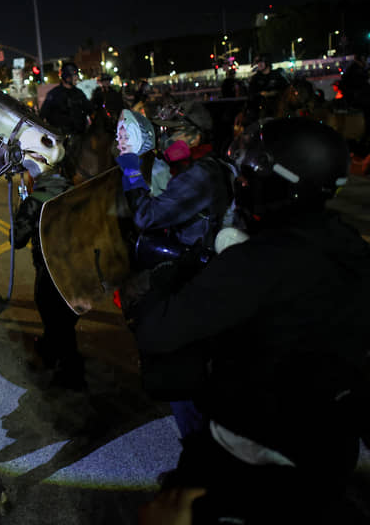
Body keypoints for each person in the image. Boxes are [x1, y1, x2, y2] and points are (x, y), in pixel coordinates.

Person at [121, 118, 370, 523]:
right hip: (332, 444)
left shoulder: (256, 264)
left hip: (253, 453)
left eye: (253, 169)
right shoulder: (348, 246)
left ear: (280, 181)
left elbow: (157, 333)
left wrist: (164, 280)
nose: (245, 178)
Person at [118, 106, 235, 440]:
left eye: (174, 131)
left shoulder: (200, 174)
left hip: (197, 276)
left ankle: (199, 456)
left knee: (178, 368)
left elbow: (145, 215)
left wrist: (129, 165)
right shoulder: (209, 165)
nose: (166, 138)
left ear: (196, 136)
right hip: (211, 270)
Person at [13, 153, 85, 391]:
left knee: (57, 324)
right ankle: (51, 352)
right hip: (78, 271)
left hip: (51, 274)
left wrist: (22, 209)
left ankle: (69, 375)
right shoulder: (75, 191)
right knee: (64, 323)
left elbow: (17, 240)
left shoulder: (36, 200)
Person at [39, 62, 93, 137]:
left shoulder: (79, 93)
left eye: (76, 75)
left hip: (80, 137)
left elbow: (90, 109)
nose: (76, 78)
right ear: (67, 77)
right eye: (74, 76)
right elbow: (43, 114)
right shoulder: (54, 94)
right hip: (60, 138)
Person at [245, 54, 289, 123]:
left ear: (267, 63)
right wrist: (261, 93)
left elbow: (287, 88)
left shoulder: (277, 75)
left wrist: (275, 92)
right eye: (258, 63)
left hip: (278, 108)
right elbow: (251, 94)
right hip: (261, 109)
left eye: (261, 62)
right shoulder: (256, 78)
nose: (259, 64)